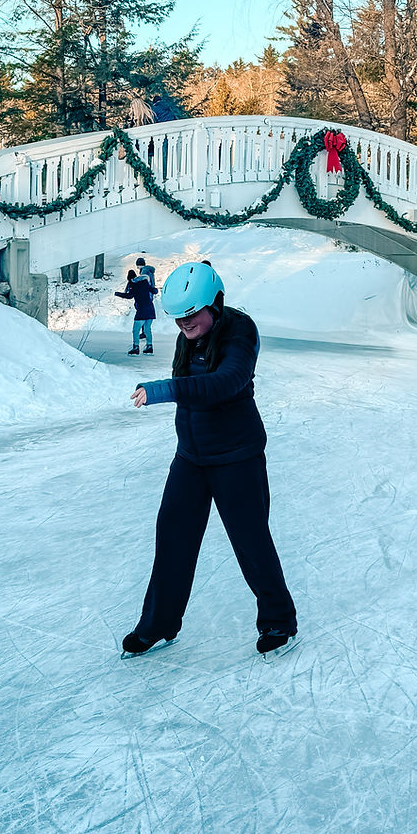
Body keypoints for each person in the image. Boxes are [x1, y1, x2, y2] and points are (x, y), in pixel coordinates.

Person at [121, 261, 298, 659]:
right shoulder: (193, 333)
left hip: (237, 457)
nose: (184, 323)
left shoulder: (239, 332)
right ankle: (160, 623)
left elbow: (226, 382)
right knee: (172, 539)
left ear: (215, 304)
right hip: (191, 458)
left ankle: (278, 620)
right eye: (178, 317)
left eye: (192, 314)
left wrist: (164, 389)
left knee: (250, 541)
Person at [115, 268, 156, 355]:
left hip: (141, 310)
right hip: (150, 309)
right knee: (147, 329)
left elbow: (129, 296)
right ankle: (149, 347)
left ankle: (136, 348)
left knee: (136, 330)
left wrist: (118, 294)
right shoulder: (144, 282)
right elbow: (154, 291)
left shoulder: (134, 285)